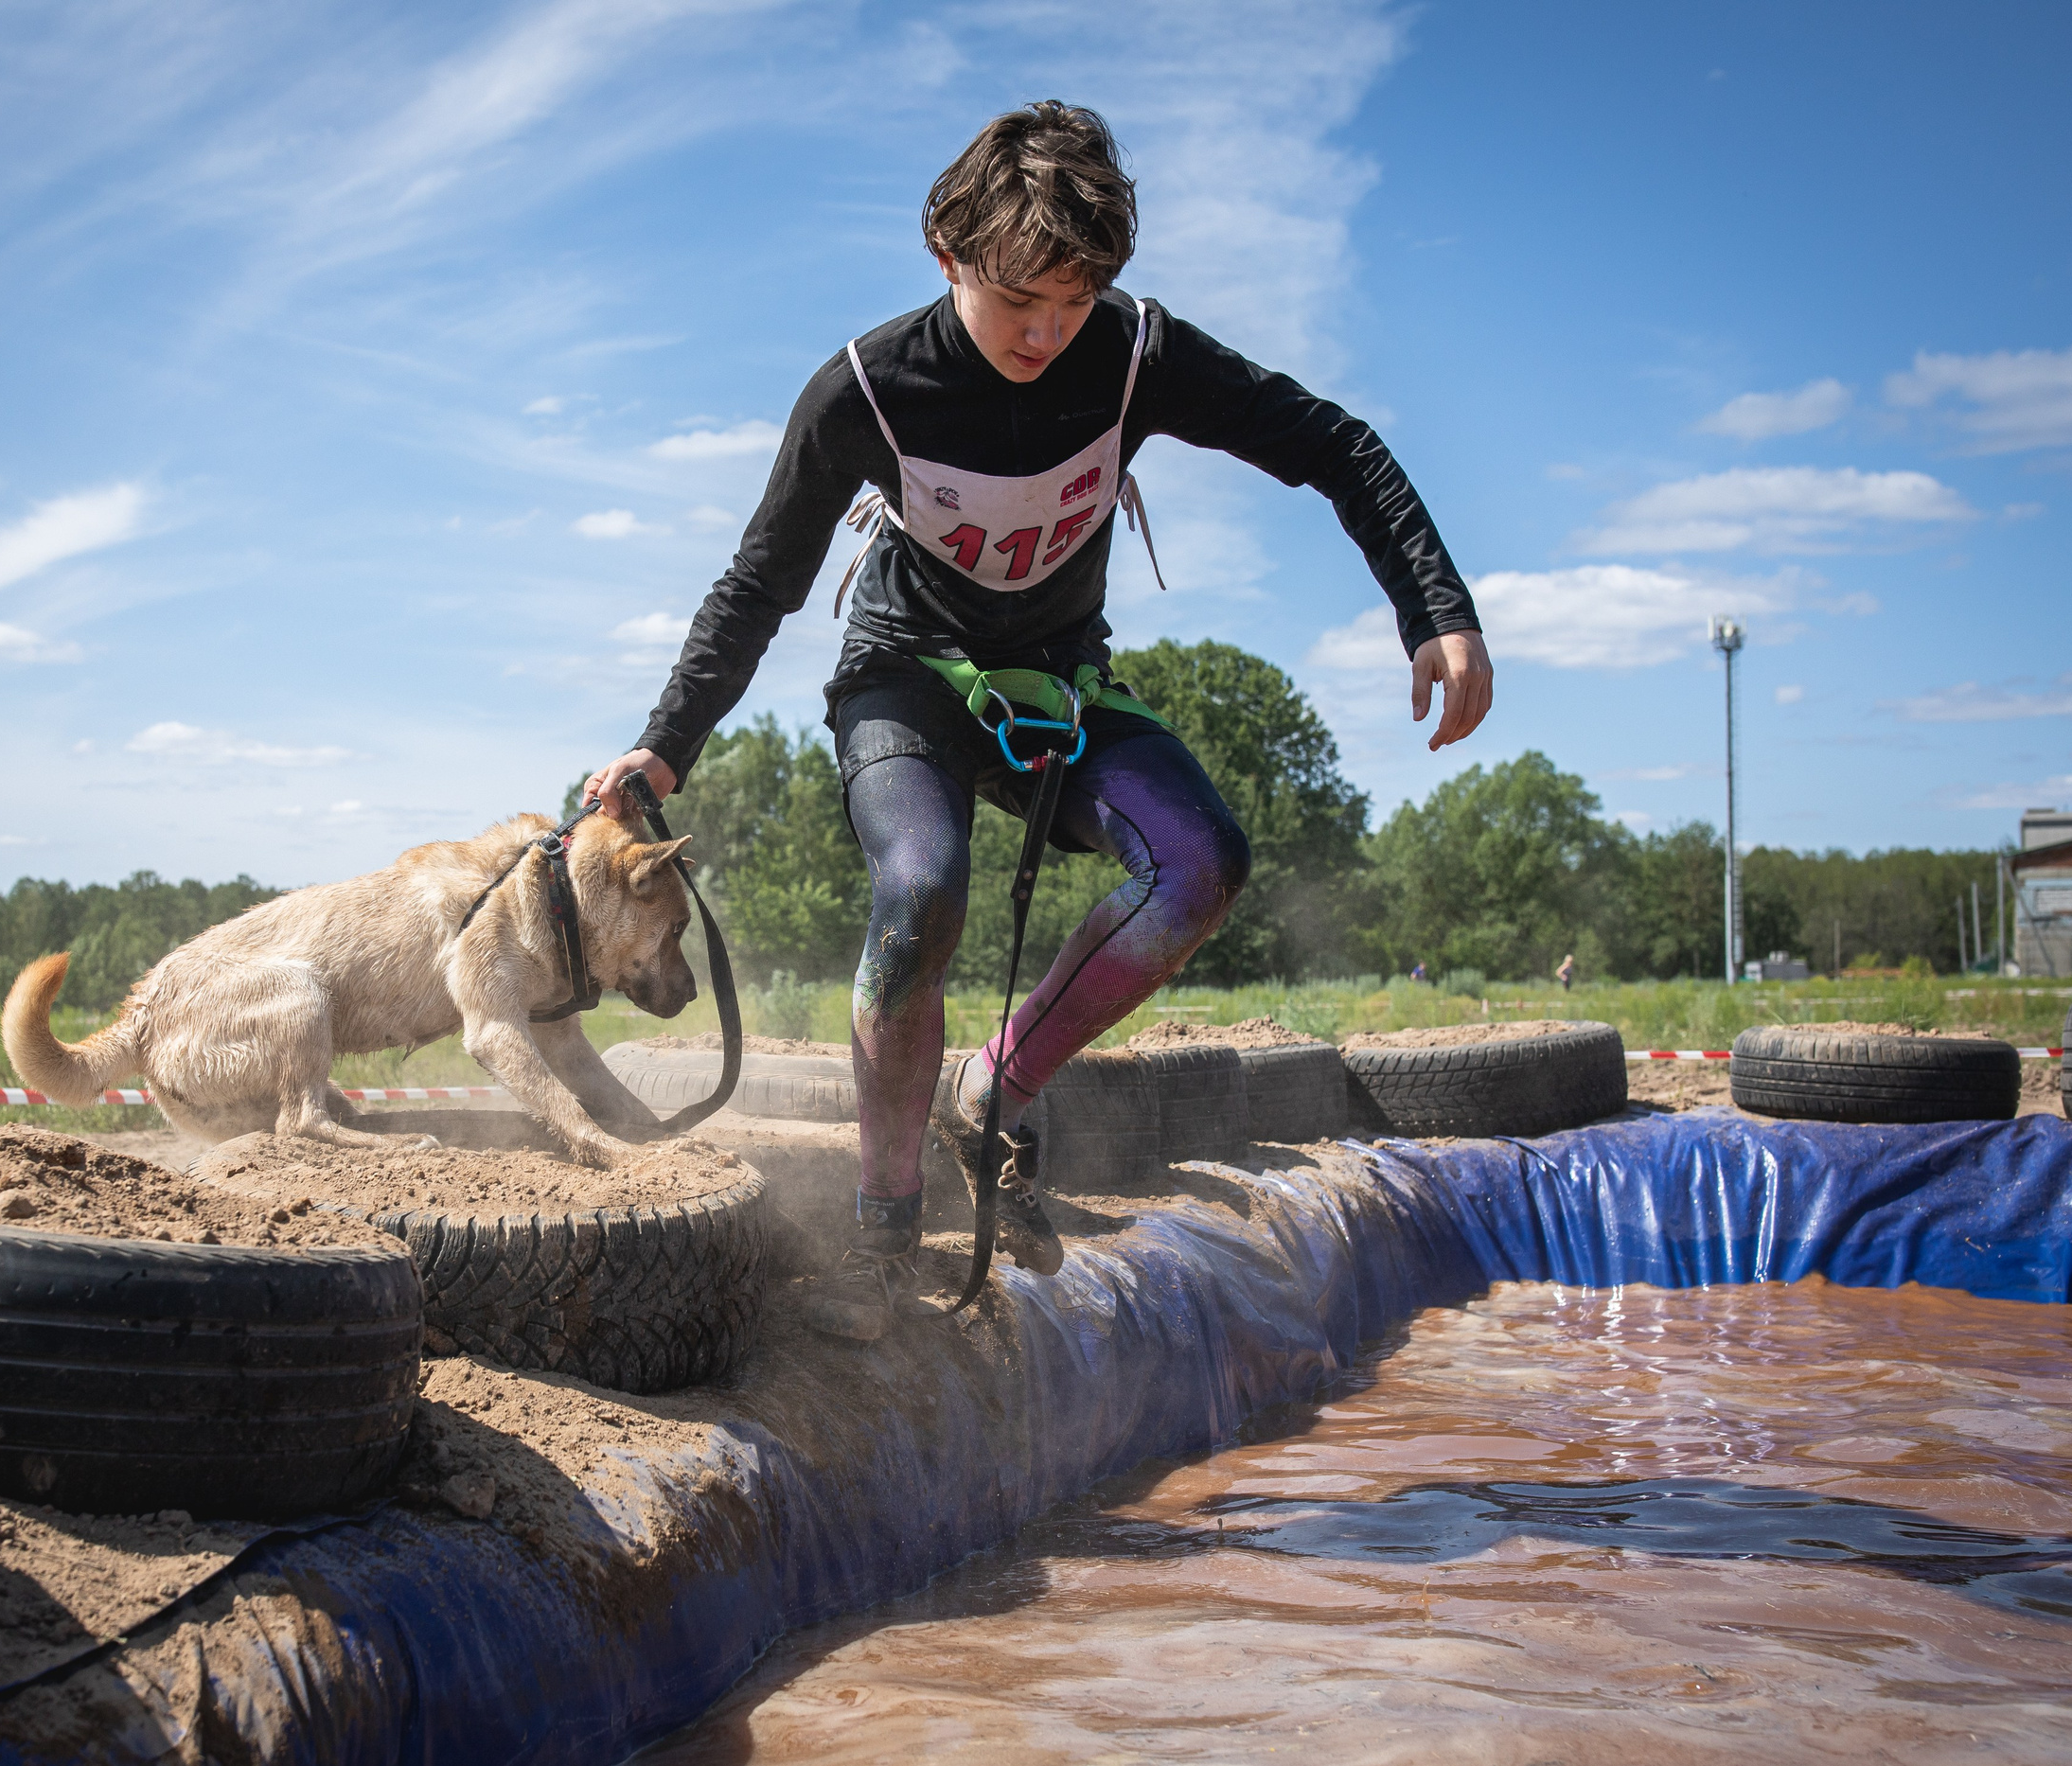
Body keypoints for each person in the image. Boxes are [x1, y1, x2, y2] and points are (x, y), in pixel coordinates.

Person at [583, 102, 1492, 1339]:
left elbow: (1331, 443)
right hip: (905, 682)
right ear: (948, 254)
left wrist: (1436, 607)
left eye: (1076, 300)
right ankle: (884, 1225)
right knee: (923, 886)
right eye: (1021, 300)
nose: (1049, 332)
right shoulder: (867, 389)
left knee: (1202, 863)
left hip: (1056, 684)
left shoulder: (1134, 355)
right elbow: (761, 581)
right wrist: (666, 740)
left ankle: (991, 1091)